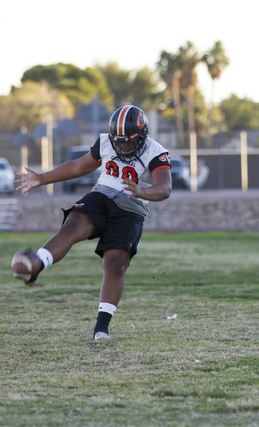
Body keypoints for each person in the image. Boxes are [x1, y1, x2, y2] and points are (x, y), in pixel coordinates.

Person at [11, 105, 172, 341]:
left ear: (142, 136)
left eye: (128, 141)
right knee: (73, 226)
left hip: (132, 207)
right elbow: (78, 166)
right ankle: (37, 263)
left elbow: (165, 188)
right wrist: (41, 179)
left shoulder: (156, 151)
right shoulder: (105, 142)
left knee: (116, 264)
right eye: (119, 141)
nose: (122, 146)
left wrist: (141, 191)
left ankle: (101, 328)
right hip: (102, 196)